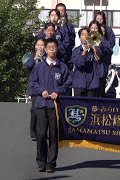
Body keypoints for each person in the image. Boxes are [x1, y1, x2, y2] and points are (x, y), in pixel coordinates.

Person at [30, 38, 70, 173]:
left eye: (54, 46)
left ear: (57, 49)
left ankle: (51, 163)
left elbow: (67, 84)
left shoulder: (62, 67)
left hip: (55, 106)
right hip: (41, 104)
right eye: (49, 47)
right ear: (45, 50)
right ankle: (41, 161)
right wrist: (42, 91)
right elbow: (32, 83)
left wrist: (57, 92)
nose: (52, 49)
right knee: (41, 134)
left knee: (53, 134)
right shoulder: (39, 66)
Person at [71, 27, 105, 97]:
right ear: (80, 38)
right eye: (83, 35)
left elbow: (98, 60)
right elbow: (79, 64)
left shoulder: (95, 50)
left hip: (92, 84)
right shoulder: (76, 50)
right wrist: (85, 51)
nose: (85, 36)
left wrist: (94, 49)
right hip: (79, 83)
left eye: (87, 34)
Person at [24, 38, 46, 141]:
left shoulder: (47, 58)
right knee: (34, 110)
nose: (40, 47)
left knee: (44, 111)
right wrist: (35, 59)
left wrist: (42, 59)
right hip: (34, 88)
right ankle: (33, 132)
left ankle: (42, 132)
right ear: (35, 47)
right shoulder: (32, 57)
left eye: (42, 45)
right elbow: (27, 66)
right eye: (38, 45)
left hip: (45, 88)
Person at [56, 3, 76, 69]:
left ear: (65, 12)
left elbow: (72, 40)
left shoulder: (69, 26)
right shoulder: (52, 25)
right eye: (59, 11)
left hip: (67, 56)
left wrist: (65, 29)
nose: (61, 13)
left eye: (62, 11)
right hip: (55, 55)